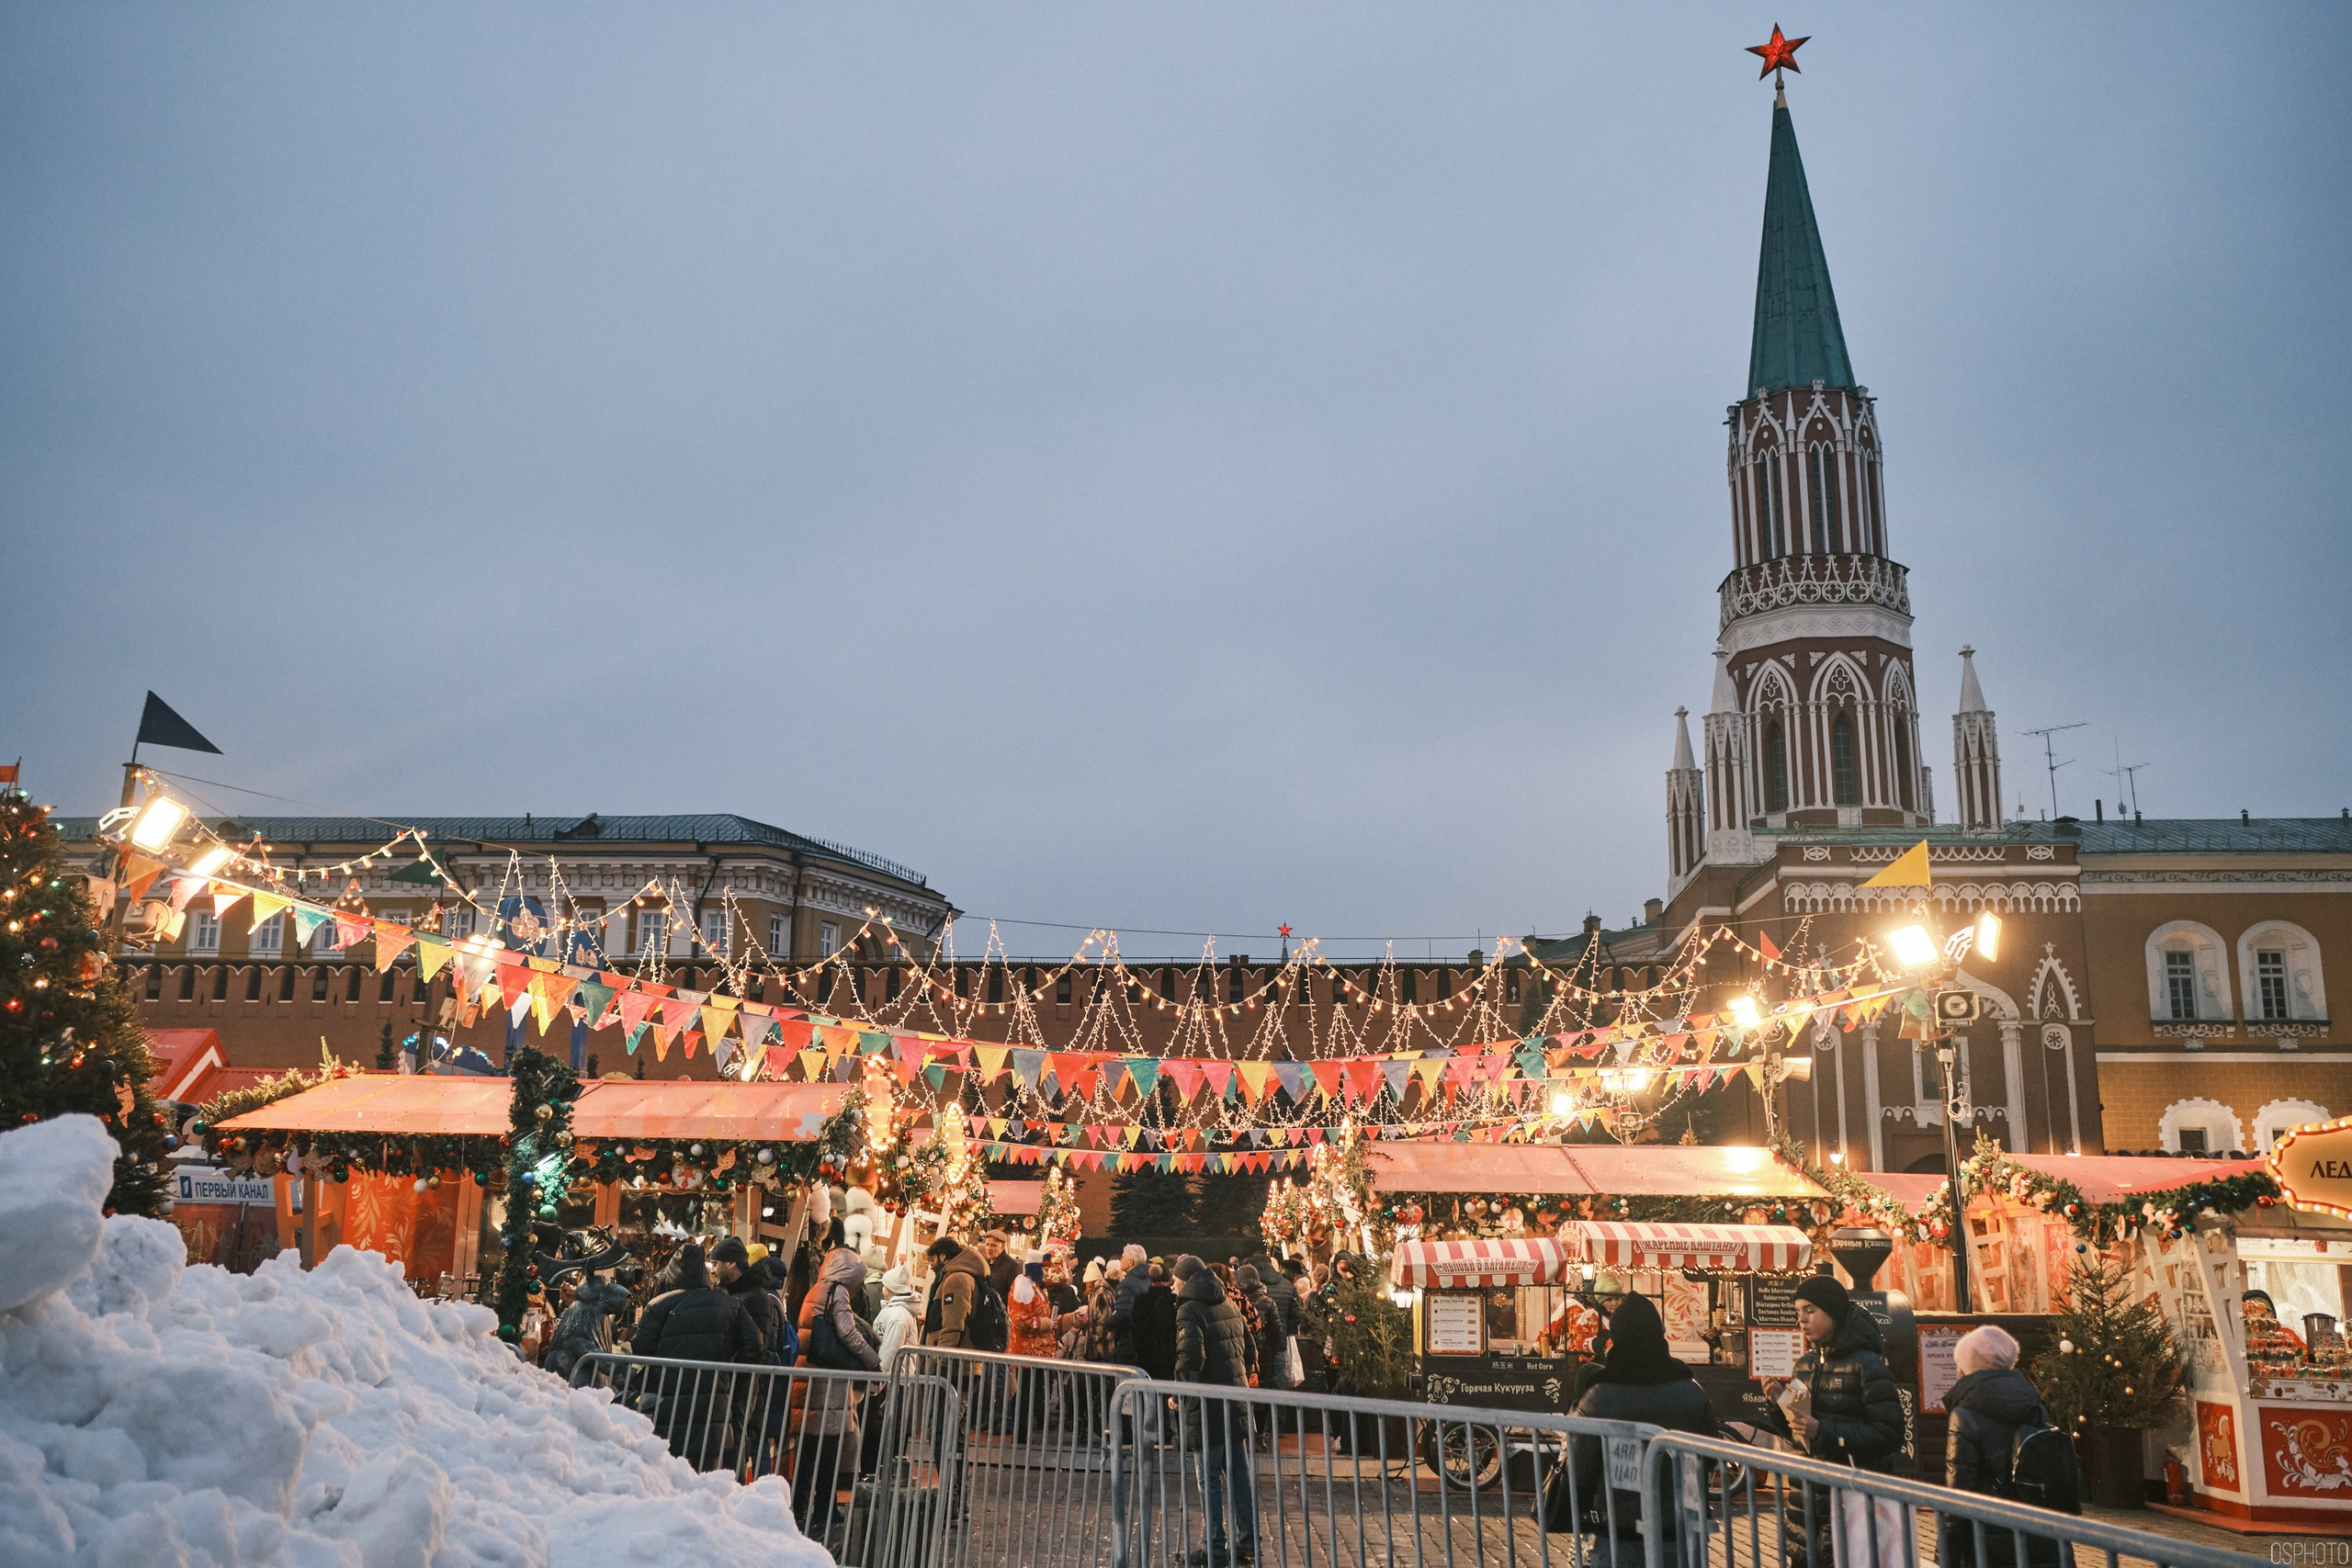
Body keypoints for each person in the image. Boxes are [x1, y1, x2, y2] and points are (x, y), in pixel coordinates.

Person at [1549, 1294, 1718, 1562]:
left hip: (1618, 1530)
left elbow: (1579, 1473)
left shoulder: (1599, 1396)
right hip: (1680, 1530)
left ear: (1616, 1337)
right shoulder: (1692, 1392)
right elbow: (1709, 1458)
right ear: (1659, 1334)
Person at [1761, 1276, 1905, 1568]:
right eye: (1798, 1310)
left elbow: (1890, 1433)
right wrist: (1779, 1406)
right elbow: (1799, 1437)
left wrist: (1824, 1431)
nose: (1801, 1319)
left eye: (1810, 1310)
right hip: (1804, 1511)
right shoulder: (1805, 1364)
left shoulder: (1867, 1365)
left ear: (1834, 1312)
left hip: (1849, 1508)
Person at [628, 1243, 764, 1465]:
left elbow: (641, 1347)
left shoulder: (658, 1305)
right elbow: (755, 1345)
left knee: (669, 1466)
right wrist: (731, 1368)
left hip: (670, 1393)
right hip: (714, 1394)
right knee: (709, 1466)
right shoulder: (729, 1304)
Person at [1942, 1326, 2067, 1568]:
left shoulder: (1965, 1415)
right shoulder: (2033, 1404)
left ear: (1967, 1367)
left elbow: (1958, 1493)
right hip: (2039, 1535)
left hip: (1987, 1541)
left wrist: (1947, 1555)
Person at [1172, 1256, 1257, 1566]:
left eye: (1175, 1279)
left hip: (1207, 1406)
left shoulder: (1189, 1309)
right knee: (1239, 1476)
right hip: (1235, 1400)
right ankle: (1247, 1541)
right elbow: (1250, 1350)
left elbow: (1191, 1358)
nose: (1172, 1285)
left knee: (1208, 1478)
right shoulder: (1229, 1304)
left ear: (1186, 1279)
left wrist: (1180, 1395)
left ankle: (1214, 1546)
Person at [794, 1239, 879, 1542]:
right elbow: (848, 1333)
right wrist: (873, 1361)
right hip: (827, 1384)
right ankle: (824, 1509)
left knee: (809, 1448)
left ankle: (800, 1507)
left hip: (811, 1377)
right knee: (828, 1449)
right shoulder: (837, 1291)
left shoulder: (817, 1289)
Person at [710, 1236, 784, 1363]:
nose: (712, 1270)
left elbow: (757, 1346)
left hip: (739, 1378)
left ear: (731, 1263)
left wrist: (730, 1370)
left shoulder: (756, 1297)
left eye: (715, 1264)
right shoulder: (727, 1291)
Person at [1242, 1249, 1297, 1382]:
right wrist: (1286, 1328)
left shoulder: (1249, 1290)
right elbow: (1298, 1313)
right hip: (1279, 1342)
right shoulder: (1287, 1284)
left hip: (1255, 1345)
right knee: (1277, 1381)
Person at [923, 1235, 988, 1348]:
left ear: (942, 1256)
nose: (931, 1266)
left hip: (954, 1361)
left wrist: (941, 1359)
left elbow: (953, 1325)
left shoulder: (956, 1279)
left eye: (932, 1260)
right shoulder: (957, 1276)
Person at [1113, 1243, 1150, 1361]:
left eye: (1123, 1257)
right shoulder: (1148, 1279)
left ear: (1131, 1262)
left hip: (1128, 1341)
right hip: (1145, 1340)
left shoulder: (1126, 1284)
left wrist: (1108, 1322)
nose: (1120, 1260)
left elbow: (1123, 1315)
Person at [981, 1230, 1020, 1304]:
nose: (989, 1248)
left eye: (993, 1245)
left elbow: (1016, 1297)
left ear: (1002, 1246)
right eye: (987, 1244)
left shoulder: (1012, 1267)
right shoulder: (985, 1263)